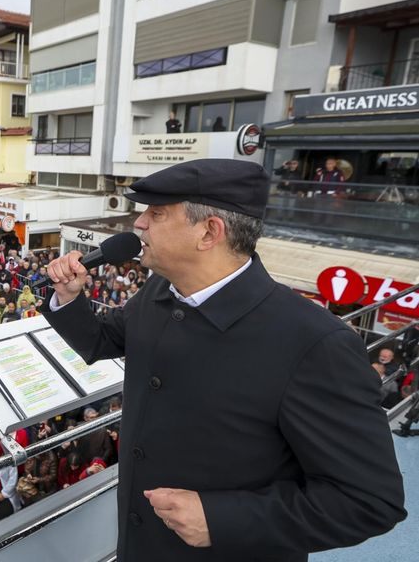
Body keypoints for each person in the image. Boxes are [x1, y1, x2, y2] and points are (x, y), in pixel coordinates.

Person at [41, 157, 405, 560]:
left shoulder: (316, 343)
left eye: (156, 212)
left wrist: (221, 518)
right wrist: (68, 299)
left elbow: (368, 501)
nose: (139, 224)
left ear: (209, 232)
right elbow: (103, 340)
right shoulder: (158, 292)